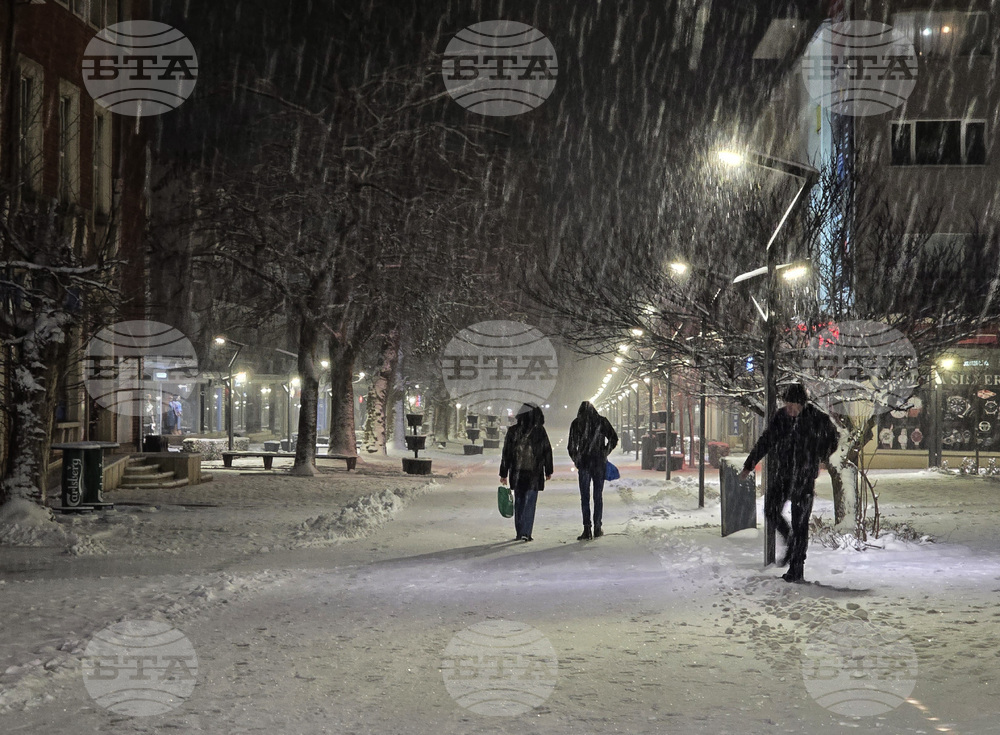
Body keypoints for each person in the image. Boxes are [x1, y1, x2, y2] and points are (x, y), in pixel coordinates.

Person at [739, 383, 839, 583]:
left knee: (800, 523)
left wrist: (818, 456)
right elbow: (766, 440)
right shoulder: (781, 418)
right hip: (782, 474)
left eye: (794, 406)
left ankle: (796, 569)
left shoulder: (817, 419)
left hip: (804, 477)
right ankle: (789, 538)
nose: (790, 409)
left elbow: (833, 439)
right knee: (770, 510)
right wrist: (749, 465)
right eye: (787, 405)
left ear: (802, 404)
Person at [499, 403, 553, 542]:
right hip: (533, 473)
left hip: (518, 473)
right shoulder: (539, 431)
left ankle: (519, 530)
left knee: (520, 502)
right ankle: (526, 532)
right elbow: (547, 451)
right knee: (530, 503)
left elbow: (507, 453)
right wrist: (548, 470)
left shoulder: (513, 431)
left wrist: (504, 473)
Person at [568, 401, 618, 540]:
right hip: (598, 464)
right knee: (598, 496)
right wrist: (604, 452)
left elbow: (571, 446)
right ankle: (597, 526)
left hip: (584, 464)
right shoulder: (601, 421)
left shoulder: (577, 423)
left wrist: (577, 459)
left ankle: (587, 528)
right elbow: (613, 438)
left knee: (584, 497)